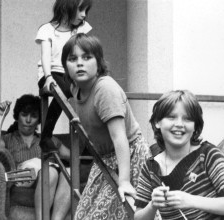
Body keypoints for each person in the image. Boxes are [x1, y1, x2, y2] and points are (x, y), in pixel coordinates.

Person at [61, 33, 151, 219]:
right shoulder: (75, 89)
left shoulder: (105, 89)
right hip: (104, 158)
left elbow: (120, 138)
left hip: (129, 157)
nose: (79, 63)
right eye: (72, 59)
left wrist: (124, 181)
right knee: (84, 213)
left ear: (99, 62)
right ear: (65, 66)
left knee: (114, 214)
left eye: (87, 57)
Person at [134, 90, 224, 219]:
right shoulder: (150, 168)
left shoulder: (208, 155)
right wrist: (152, 205)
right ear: (157, 122)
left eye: (187, 119)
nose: (179, 124)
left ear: (195, 126)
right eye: (171, 117)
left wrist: (191, 200)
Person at [0, 94, 72, 220]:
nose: (28, 120)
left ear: (38, 119)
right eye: (24, 114)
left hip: (48, 181)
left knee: (68, 172)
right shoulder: (9, 139)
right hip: (23, 179)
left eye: (34, 116)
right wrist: (0, 116)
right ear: (17, 116)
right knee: (50, 172)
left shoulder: (47, 140)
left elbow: (73, 157)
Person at [36, 0, 93, 148]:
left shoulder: (79, 30)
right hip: (50, 73)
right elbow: (45, 56)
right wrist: (48, 77)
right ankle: (47, 135)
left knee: (85, 92)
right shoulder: (47, 29)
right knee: (66, 89)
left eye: (86, 11)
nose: (83, 15)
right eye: (81, 10)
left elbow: (84, 52)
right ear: (68, 7)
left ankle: (89, 138)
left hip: (69, 75)